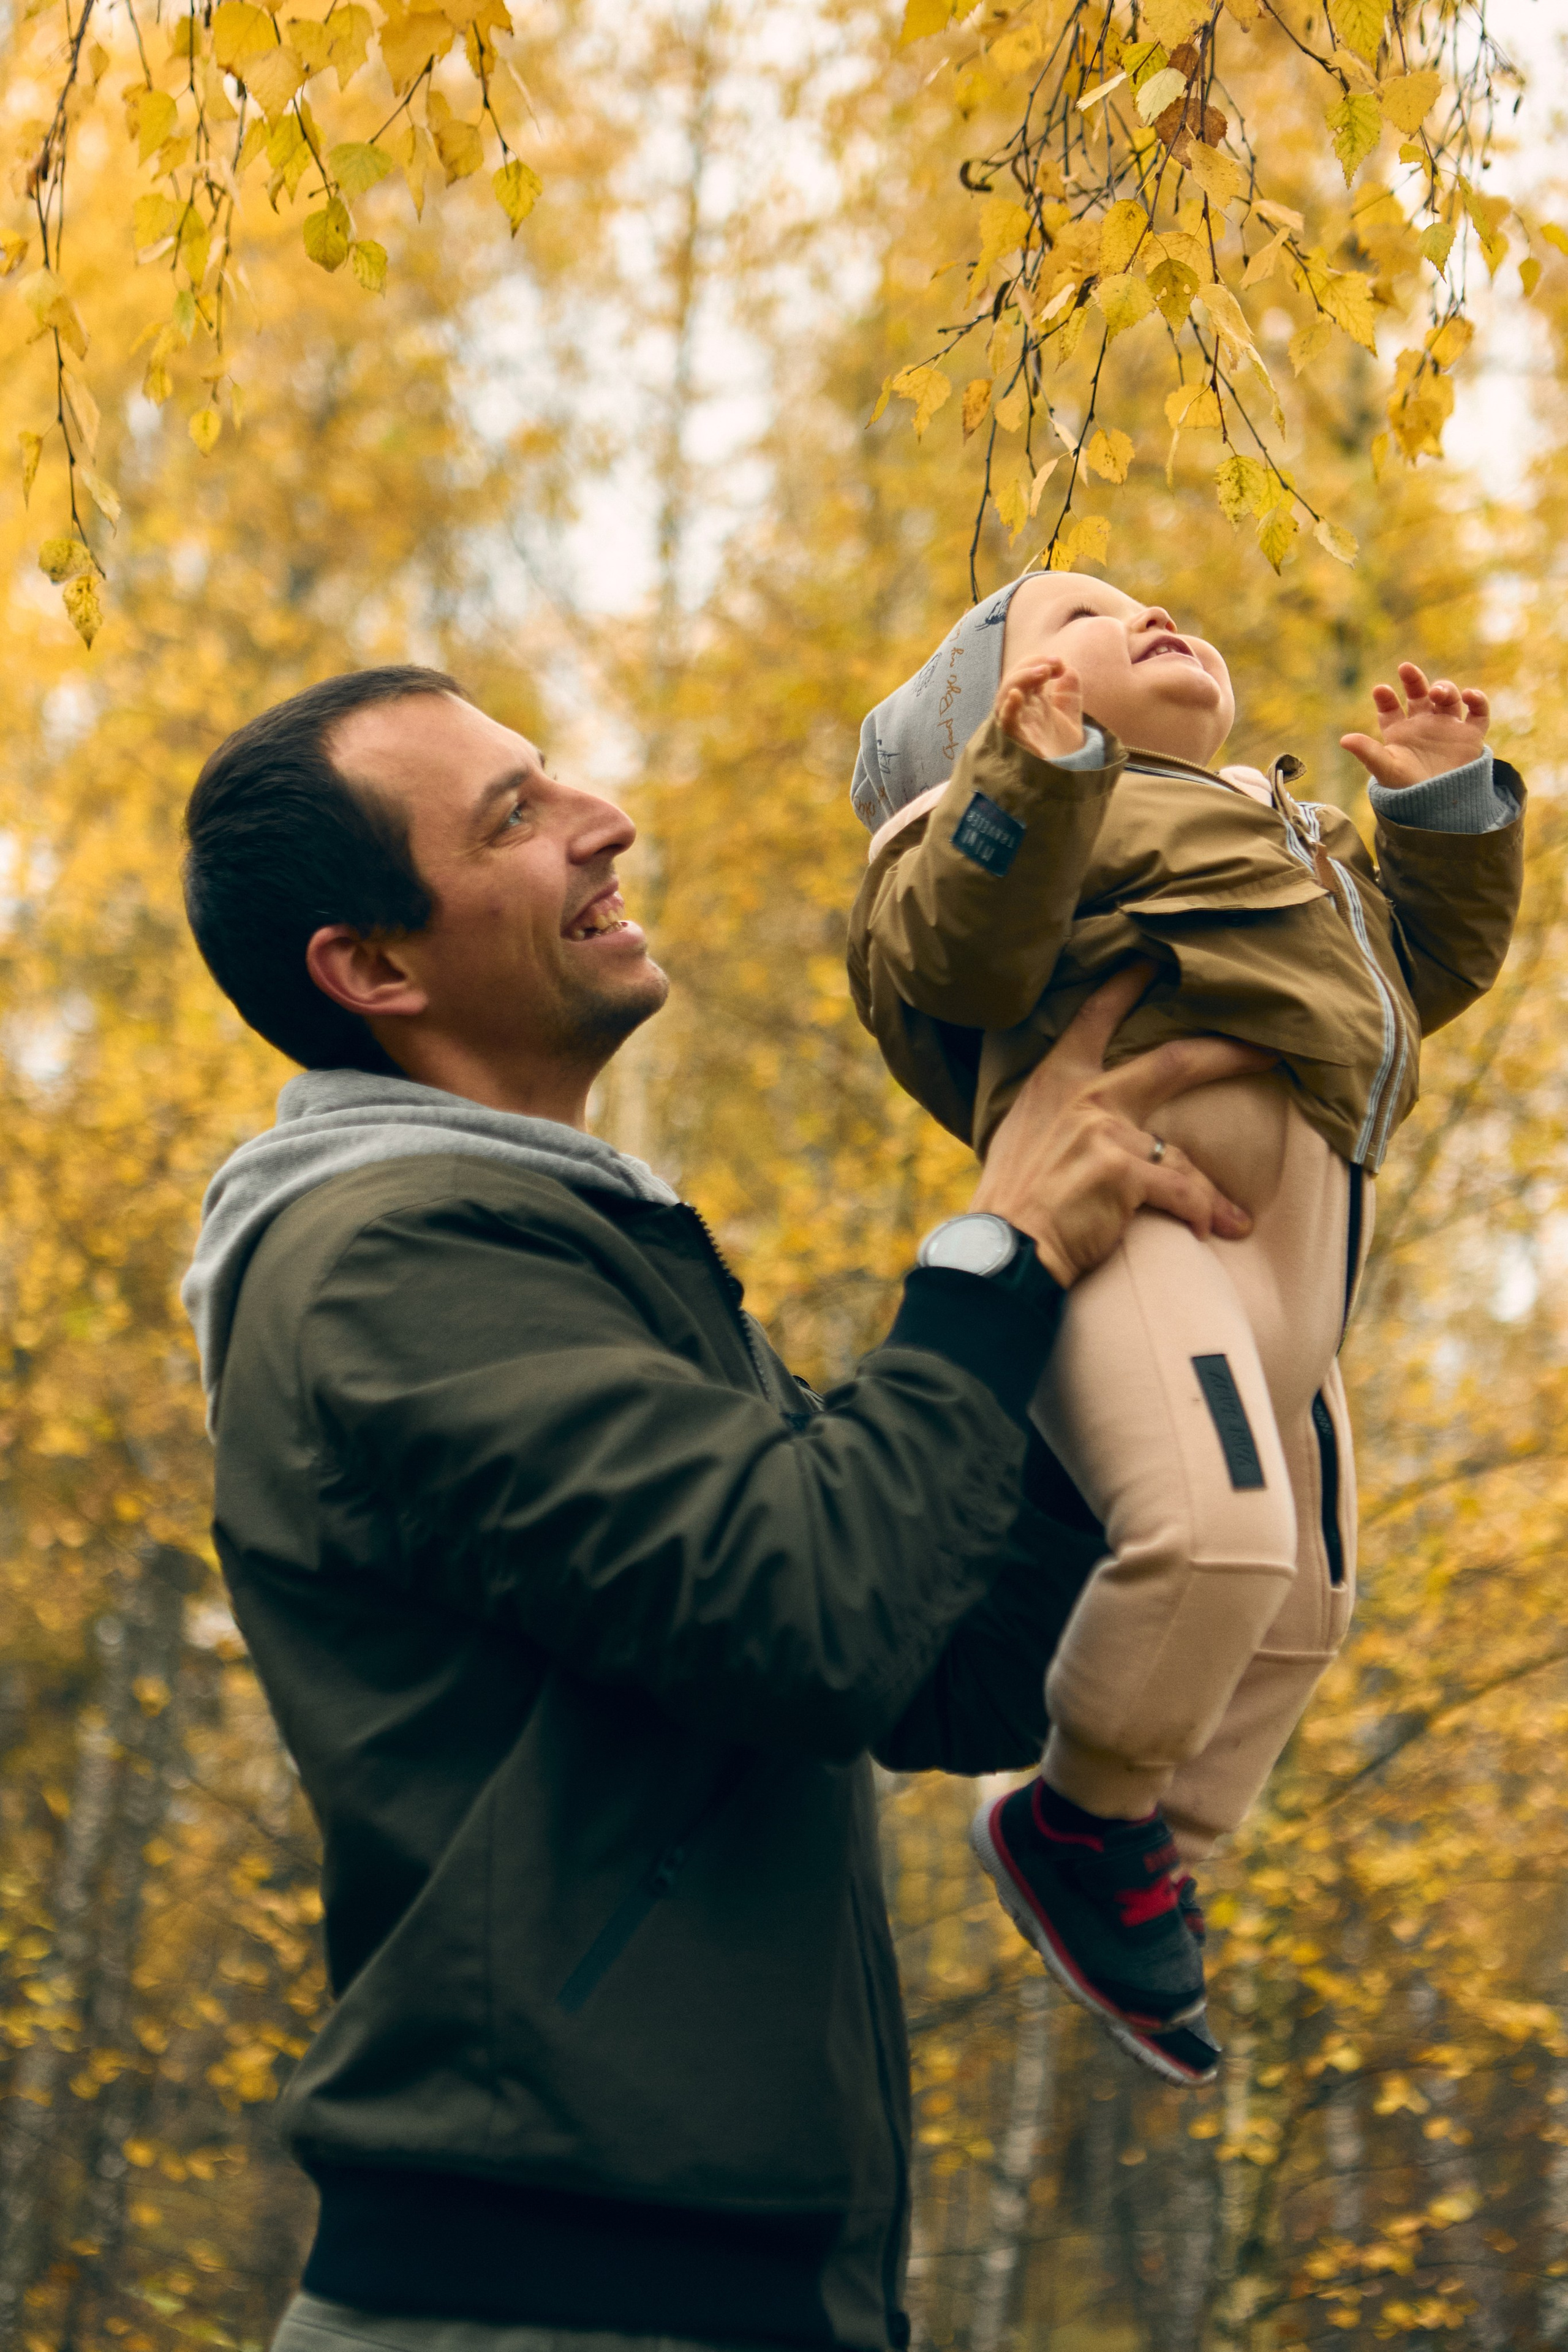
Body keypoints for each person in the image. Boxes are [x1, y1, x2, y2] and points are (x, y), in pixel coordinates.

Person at [178, 665, 1265, 2352]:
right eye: (515, 818)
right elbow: (815, 1614)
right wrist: (1001, 1254)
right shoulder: (394, 1264)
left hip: (737, 2281)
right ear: (375, 969)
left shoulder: (566, 1246)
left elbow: (939, 1665)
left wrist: (1128, 1337)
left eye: (553, 781)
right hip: (541, 2296)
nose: (603, 821)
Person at [847, 571, 1526, 2086]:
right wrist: (1038, 775)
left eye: (1149, 600)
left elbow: (1408, 984)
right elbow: (959, 955)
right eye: (1075, 620)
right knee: (1212, 1540)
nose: (1146, 615)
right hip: (1150, 1234)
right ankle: (1072, 1813)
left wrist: (1442, 820)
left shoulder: (1273, 833)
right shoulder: (990, 830)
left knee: (1300, 1605)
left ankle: (1151, 1849)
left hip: (1297, 1270)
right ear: (989, 719)